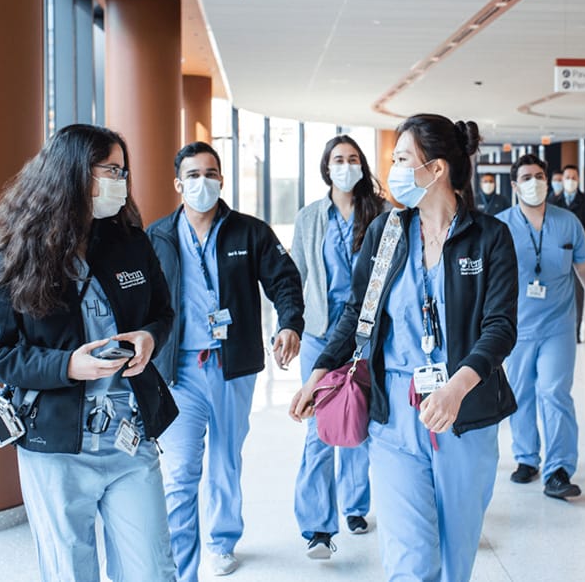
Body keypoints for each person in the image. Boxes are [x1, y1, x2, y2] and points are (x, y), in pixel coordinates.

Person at [289, 114, 518, 582]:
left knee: (455, 556)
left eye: (401, 159)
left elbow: (499, 328)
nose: (390, 170)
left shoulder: (489, 237)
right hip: (393, 414)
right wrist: (318, 373)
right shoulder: (388, 232)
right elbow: (357, 313)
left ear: (436, 170)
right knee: (408, 560)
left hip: (463, 410)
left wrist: (456, 389)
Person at [0, 124, 177, 581]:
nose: (121, 182)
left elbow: (162, 312)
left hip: (131, 437)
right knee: (70, 570)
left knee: (153, 571)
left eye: (123, 171)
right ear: (75, 173)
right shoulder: (17, 254)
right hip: (57, 447)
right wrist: (68, 365)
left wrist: (149, 337)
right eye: (112, 170)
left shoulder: (130, 241)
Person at [147, 142, 304, 578]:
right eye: (193, 175)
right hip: (178, 369)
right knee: (179, 472)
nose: (203, 182)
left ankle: (222, 540)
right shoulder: (157, 237)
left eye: (211, 173)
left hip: (232, 367)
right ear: (178, 184)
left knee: (225, 461)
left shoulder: (249, 232)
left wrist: (289, 322)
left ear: (221, 180)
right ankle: (181, 565)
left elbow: (285, 280)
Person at [290, 135, 386, 558]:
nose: (345, 166)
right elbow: (295, 278)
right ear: (326, 168)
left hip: (366, 337)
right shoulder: (311, 217)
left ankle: (355, 505)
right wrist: (287, 327)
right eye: (338, 160)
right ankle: (317, 527)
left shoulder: (381, 214)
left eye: (352, 159)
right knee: (320, 430)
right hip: (319, 336)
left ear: (362, 165)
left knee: (357, 422)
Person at [496, 154, 585, 498]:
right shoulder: (501, 226)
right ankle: (527, 458)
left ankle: (558, 468)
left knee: (554, 392)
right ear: (515, 186)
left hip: (559, 324)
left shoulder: (568, 222)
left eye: (540, 175)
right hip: (515, 327)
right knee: (520, 394)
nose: (535, 182)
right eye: (527, 177)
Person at [549, 164, 585, 342]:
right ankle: (557, 330)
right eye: (567, 177)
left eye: (573, 177)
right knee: (556, 294)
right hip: (556, 258)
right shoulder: (552, 203)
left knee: (578, 295)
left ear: (578, 180)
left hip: (577, 257)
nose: (570, 181)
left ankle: (576, 331)